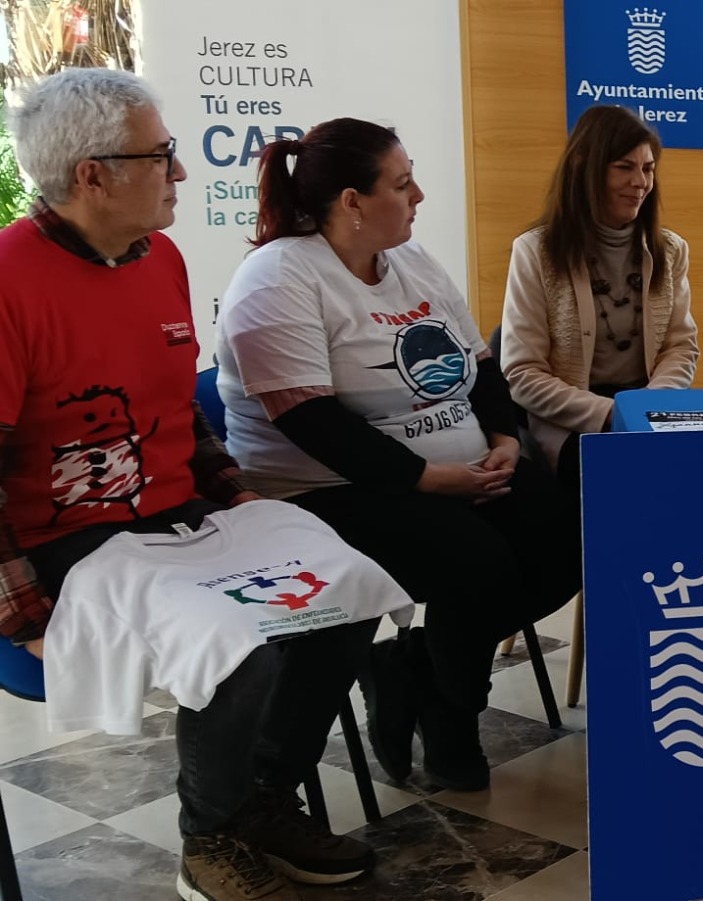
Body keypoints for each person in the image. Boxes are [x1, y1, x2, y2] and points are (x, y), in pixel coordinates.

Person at [1, 68, 376, 901]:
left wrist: (236, 494)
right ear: (93, 176)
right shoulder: (7, 280)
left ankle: (259, 796)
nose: (180, 170)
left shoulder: (161, 257)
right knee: (237, 641)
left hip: (180, 513)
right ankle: (208, 835)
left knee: (344, 595)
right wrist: (23, 615)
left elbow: (180, 412)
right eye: (160, 155)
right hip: (69, 541)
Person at [216, 118, 582, 792]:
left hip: (451, 471)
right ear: (352, 201)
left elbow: (480, 365)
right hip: (323, 492)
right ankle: (453, 715)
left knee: (571, 533)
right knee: (476, 561)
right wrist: (428, 478)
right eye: (402, 183)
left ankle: (414, 666)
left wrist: (504, 438)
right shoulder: (278, 277)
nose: (418, 196)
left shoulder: (412, 261)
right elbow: (311, 422)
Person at [502, 104, 698, 485]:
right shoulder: (534, 252)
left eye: (648, 169)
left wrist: (649, 407)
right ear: (584, 168)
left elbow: (681, 348)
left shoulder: (671, 250)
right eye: (624, 167)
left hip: (649, 410)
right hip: (572, 420)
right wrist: (612, 415)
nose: (640, 182)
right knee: (620, 478)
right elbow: (522, 374)